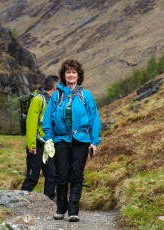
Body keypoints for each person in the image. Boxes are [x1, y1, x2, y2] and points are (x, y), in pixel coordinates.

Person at [42, 59, 101, 222]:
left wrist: (94, 142)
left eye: (74, 72)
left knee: (76, 175)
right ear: (64, 75)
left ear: (78, 75)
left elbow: (94, 119)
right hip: (60, 139)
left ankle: (73, 210)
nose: (71, 75)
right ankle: (61, 207)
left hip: (81, 140)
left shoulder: (85, 95)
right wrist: (48, 139)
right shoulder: (57, 96)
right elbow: (47, 120)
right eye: (68, 72)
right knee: (61, 175)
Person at [21, 75, 60, 200]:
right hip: (37, 145)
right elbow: (31, 124)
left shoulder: (54, 101)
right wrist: (31, 145)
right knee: (32, 177)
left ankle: (48, 202)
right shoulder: (38, 100)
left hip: (49, 145)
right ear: (55, 87)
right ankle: (19, 202)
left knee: (52, 175)